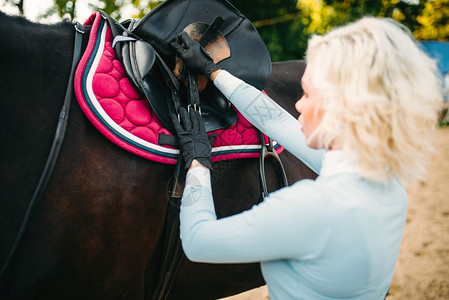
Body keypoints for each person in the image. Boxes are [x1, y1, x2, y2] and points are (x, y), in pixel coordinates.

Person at [169, 17, 442, 299]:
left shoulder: (309, 206)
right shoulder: (389, 186)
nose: (298, 104)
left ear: (343, 108)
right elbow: (276, 121)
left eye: (308, 94)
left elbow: (198, 241)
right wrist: (212, 72)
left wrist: (198, 161)